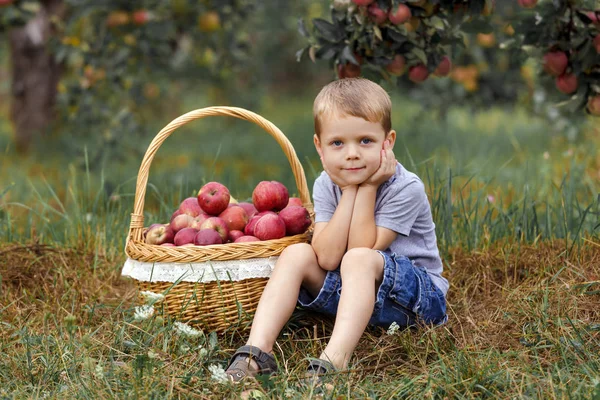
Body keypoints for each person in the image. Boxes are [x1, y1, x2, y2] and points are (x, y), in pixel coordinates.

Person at [224, 77, 448, 383]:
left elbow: (362, 248)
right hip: (354, 293)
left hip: (415, 301)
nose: (352, 153)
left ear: (388, 142)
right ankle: (256, 352)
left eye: (365, 141)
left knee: (357, 258)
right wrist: (350, 189)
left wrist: (366, 187)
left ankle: (335, 360)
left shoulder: (405, 188)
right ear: (320, 146)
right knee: (298, 253)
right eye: (337, 143)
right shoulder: (326, 185)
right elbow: (328, 258)